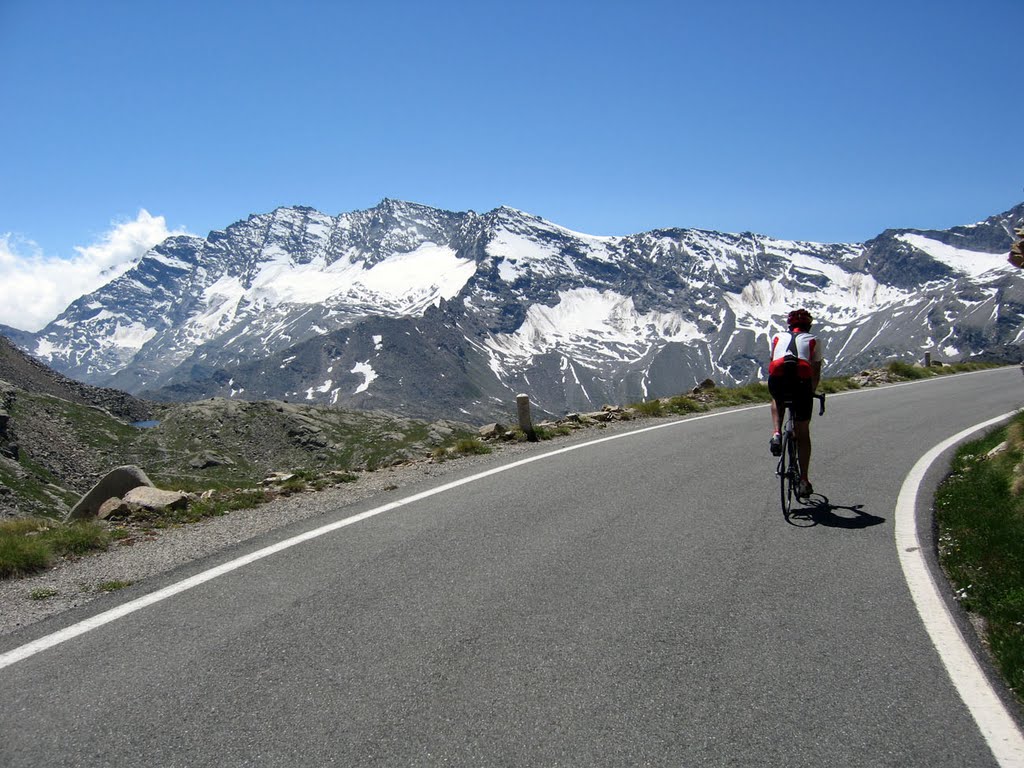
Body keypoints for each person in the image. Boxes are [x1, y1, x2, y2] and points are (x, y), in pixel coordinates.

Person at [767, 308, 824, 499]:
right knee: (803, 433)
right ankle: (804, 480)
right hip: (801, 384)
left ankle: (776, 433)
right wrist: (812, 391)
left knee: (776, 398)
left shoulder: (777, 337)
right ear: (809, 325)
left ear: (789, 325)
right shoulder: (813, 340)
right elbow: (815, 370)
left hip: (778, 378)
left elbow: (772, 361)